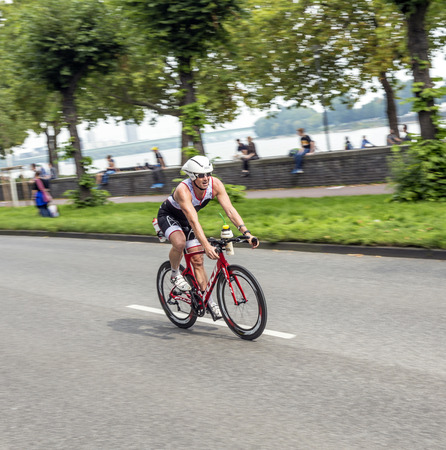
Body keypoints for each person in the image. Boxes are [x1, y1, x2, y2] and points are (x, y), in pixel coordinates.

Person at [156, 155, 259, 320]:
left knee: (198, 261)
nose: (205, 178)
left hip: (188, 219)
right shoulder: (183, 190)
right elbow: (193, 221)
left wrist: (247, 233)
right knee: (180, 242)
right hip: (169, 216)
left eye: (208, 174)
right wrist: (205, 245)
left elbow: (230, 211)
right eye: (201, 175)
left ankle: (207, 300)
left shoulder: (215, 184)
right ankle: (175, 273)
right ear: (192, 176)